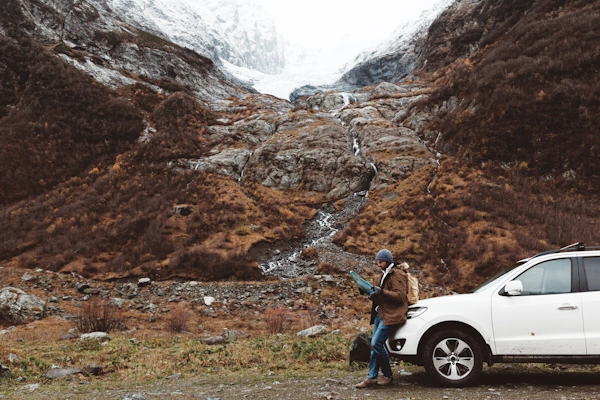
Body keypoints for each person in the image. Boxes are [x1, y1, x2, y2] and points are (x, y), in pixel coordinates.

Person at [356, 249, 409, 389]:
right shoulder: (383, 274)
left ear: (388, 261)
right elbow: (381, 295)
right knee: (375, 347)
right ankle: (371, 377)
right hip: (380, 314)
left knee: (376, 344)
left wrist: (382, 292)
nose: (378, 264)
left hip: (391, 315)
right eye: (377, 262)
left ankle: (387, 374)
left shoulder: (397, 274)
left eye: (380, 262)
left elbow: (401, 297)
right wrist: (368, 292)